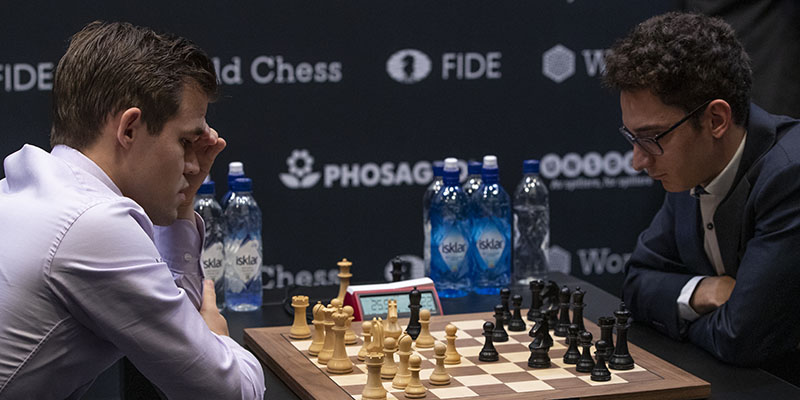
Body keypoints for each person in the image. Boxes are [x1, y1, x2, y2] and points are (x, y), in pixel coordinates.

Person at [0, 22, 265, 398]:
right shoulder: (91, 223)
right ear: (129, 130)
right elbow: (227, 392)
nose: (194, 164)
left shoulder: (38, 186)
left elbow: (176, 330)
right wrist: (220, 339)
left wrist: (184, 202)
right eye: (185, 141)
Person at [605, 12, 800, 366]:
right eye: (632, 138)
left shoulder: (790, 177)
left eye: (651, 138)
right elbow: (636, 283)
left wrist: (685, 316)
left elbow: (741, 336)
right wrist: (702, 292)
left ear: (716, 121)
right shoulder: (688, 168)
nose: (637, 161)